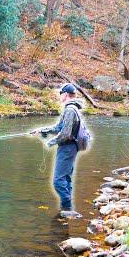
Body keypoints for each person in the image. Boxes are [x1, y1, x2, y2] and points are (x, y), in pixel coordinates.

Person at [30, 83, 86, 218]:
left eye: (60, 94)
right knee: (66, 178)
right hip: (71, 147)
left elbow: (65, 134)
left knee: (58, 181)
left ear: (65, 94)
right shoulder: (72, 108)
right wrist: (41, 130)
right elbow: (58, 127)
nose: (59, 96)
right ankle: (67, 209)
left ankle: (66, 208)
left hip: (67, 147)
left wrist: (50, 142)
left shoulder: (69, 110)